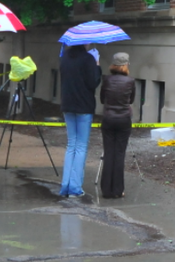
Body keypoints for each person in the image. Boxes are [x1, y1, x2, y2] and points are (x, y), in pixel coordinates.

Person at [58, 42, 102, 197]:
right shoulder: (88, 59)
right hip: (84, 106)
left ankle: (65, 185)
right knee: (81, 146)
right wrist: (97, 65)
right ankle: (75, 187)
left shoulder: (64, 58)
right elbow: (93, 82)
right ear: (84, 42)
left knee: (71, 145)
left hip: (67, 105)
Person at [99, 52, 135, 198]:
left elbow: (102, 99)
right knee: (119, 154)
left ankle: (106, 190)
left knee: (109, 153)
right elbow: (131, 100)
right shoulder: (130, 81)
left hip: (108, 118)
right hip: (124, 119)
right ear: (126, 65)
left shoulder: (106, 80)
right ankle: (118, 190)